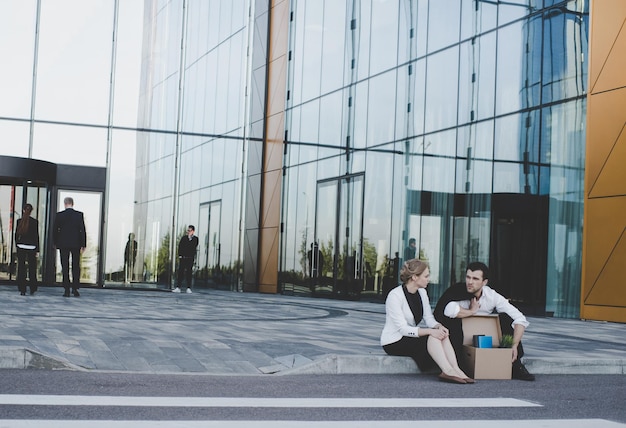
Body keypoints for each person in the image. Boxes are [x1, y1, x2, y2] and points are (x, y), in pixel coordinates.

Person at [434, 261, 535, 381]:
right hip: (459, 336)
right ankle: (458, 366)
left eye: (475, 279)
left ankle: (515, 365)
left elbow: (520, 318)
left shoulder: (491, 296)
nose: (470, 282)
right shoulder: (457, 291)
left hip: (483, 335)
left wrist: (514, 345)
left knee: (505, 319)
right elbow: (447, 311)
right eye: (468, 277)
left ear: (484, 282)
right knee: (453, 321)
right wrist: (471, 311)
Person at [380, 258, 474, 384]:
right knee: (433, 336)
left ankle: (456, 369)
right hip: (394, 341)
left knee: (441, 334)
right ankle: (447, 370)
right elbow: (402, 329)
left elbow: (428, 318)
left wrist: (438, 326)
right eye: (426, 276)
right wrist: (430, 331)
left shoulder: (422, 292)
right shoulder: (395, 296)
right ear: (414, 277)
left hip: (410, 337)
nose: (428, 279)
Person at [54, 197, 86, 297]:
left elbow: (55, 230)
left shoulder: (59, 215)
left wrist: (56, 243)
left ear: (65, 204)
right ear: (73, 203)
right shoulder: (79, 215)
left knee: (65, 266)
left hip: (63, 244)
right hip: (76, 243)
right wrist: (83, 244)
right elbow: (82, 230)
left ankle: (66, 289)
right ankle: (75, 288)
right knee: (76, 266)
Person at [15, 203, 40, 296]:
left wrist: (17, 244)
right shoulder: (34, 222)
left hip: (21, 246)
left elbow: (16, 235)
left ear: (23, 210)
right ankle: (32, 288)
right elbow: (36, 236)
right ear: (31, 211)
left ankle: (22, 288)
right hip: (31, 247)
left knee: (21, 268)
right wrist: (37, 249)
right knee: (32, 268)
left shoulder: (19, 221)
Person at [173, 225, 198, 294]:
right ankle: (178, 287)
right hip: (183, 258)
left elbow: (193, 247)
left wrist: (190, 239)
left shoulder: (195, 239)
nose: (188, 232)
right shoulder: (184, 238)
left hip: (190, 258)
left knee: (189, 273)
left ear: (193, 231)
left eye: (190, 231)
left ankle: (188, 288)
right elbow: (180, 246)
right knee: (180, 272)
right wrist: (180, 255)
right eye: (188, 230)